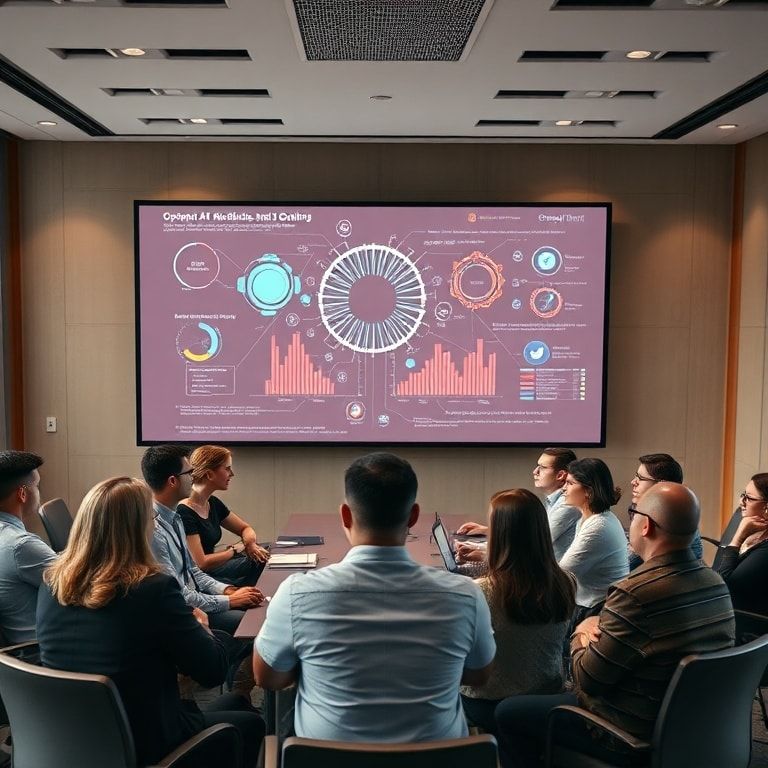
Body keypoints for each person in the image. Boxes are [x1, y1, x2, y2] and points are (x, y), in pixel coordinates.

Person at [254, 452, 496, 742]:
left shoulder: (297, 593)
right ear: (414, 516)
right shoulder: (466, 595)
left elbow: (268, 678)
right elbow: (478, 675)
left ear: (345, 514)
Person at [495, 483, 735, 768]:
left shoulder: (636, 593)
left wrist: (582, 631)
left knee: (508, 713)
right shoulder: (715, 583)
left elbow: (587, 679)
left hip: (628, 734)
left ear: (646, 526)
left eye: (632, 513)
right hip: (695, 730)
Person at [36, 477, 265, 768]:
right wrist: (202, 625)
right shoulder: (153, 589)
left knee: (236, 704)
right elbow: (213, 672)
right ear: (138, 527)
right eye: (152, 517)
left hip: (70, 738)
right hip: (144, 741)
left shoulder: (51, 582)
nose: (155, 524)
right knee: (252, 725)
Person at [460, 488, 575, 735]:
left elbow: (466, 662)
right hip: (546, 700)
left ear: (501, 536)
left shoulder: (481, 592)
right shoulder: (566, 582)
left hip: (487, 705)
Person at [456, 447, 580, 561]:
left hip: (545, 577)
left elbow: (530, 544)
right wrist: (487, 531)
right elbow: (526, 538)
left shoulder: (567, 504)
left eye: (542, 467)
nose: (535, 471)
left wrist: (484, 553)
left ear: (560, 475)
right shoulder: (553, 500)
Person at [178, 445, 268, 587]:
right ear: (209, 474)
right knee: (261, 558)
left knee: (264, 551)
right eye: (227, 468)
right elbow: (201, 563)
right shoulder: (184, 511)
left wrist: (249, 544)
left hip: (216, 568)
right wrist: (234, 550)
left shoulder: (212, 503)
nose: (231, 474)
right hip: (203, 578)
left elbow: (245, 528)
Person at [558, 458, 628, 622]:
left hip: (598, 610)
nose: (563, 488)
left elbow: (562, 575)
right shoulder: (589, 518)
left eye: (569, 483)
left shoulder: (599, 526)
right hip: (591, 605)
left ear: (588, 491)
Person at [0, 450, 56, 643]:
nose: (39, 493)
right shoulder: (21, 546)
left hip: (13, 661)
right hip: (38, 654)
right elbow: (79, 583)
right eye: (37, 486)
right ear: (22, 494)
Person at [627, 453, 703, 569]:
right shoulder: (666, 513)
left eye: (640, 478)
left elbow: (622, 567)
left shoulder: (667, 522)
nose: (633, 482)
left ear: (661, 485)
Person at [714, 472, 768, 613]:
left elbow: (720, 586)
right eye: (743, 495)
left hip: (747, 624)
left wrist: (738, 538)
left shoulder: (765, 550)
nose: (741, 502)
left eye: (748, 498)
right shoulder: (745, 520)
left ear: (766, 507)